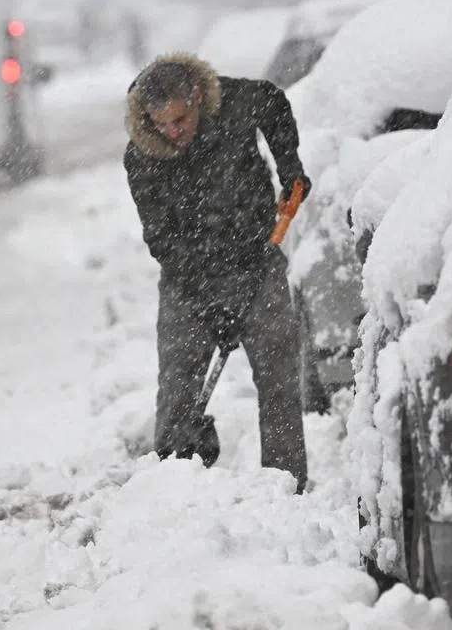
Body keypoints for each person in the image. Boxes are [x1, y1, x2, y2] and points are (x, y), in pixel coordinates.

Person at [123, 52, 312, 493]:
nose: (174, 132)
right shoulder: (143, 156)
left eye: (181, 119)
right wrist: (212, 305)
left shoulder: (232, 101)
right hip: (188, 280)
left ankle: (285, 486)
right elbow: (163, 239)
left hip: (258, 260)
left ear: (196, 99)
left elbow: (273, 101)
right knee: (176, 384)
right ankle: (173, 481)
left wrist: (289, 164)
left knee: (279, 379)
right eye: (162, 123)